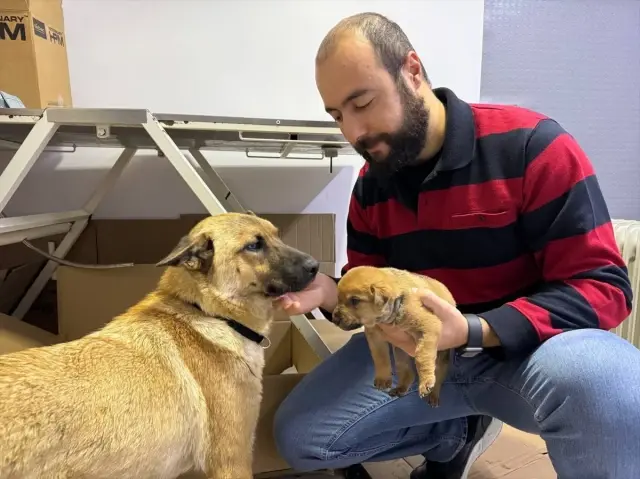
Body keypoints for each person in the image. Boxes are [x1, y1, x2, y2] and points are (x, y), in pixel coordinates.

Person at [273, 12, 640, 479]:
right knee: (302, 439)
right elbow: (370, 288)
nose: (353, 133)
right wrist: (330, 292)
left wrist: (474, 329)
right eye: (338, 115)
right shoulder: (371, 185)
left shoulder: (533, 146)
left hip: (523, 355)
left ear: (412, 71)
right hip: (417, 350)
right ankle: (456, 435)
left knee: (617, 387)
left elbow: (604, 286)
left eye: (363, 103)